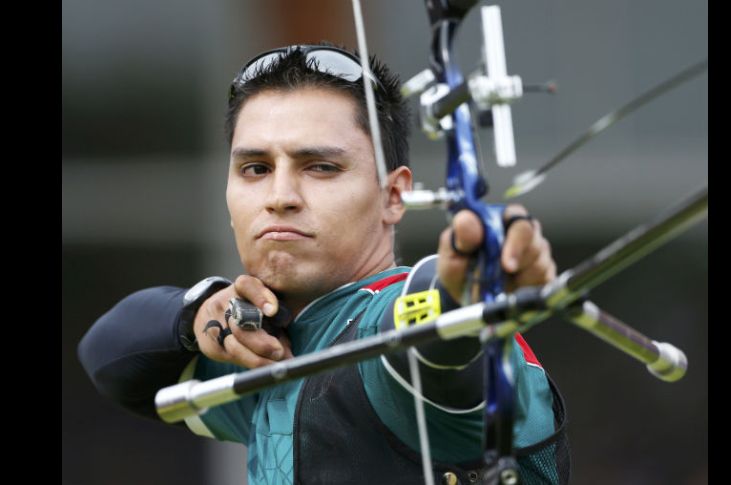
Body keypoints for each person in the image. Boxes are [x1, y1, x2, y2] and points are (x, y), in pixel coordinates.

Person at [78, 44, 570, 485]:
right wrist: (197, 316)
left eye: (321, 167)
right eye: (256, 168)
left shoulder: (385, 326)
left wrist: (469, 286)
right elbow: (108, 355)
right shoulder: (274, 345)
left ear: (394, 195)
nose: (280, 196)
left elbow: (429, 335)